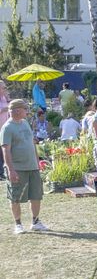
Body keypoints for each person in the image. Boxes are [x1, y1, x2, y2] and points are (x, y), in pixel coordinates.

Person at [0, 99, 48, 234]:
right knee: (15, 196)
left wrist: (37, 160)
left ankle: (36, 221)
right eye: (25, 109)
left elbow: (31, 143)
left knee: (36, 195)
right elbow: (6, 150)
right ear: (16, 110)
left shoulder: (25, 123)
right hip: (17, 168)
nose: (27, 112)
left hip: (32, 166)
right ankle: (18, 224)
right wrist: (11, 170)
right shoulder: (7, 128)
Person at [0, 80, 10, 180]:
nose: (5, 89)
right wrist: (2, 110)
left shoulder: (4, 98)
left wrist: (8, 100)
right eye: (3, 88)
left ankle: (4, 171)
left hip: (5, 128)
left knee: (5, 150)